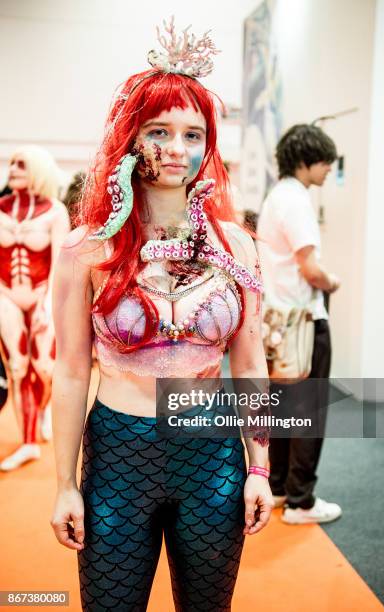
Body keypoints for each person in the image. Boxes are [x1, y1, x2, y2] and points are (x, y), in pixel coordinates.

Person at [50, 19, 273, 612]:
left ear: (209, 145)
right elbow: (71, 372)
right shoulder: (87, 249)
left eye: (193, 134)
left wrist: (260, 466)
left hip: (213, 451)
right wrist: (64, 485)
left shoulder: (236, 245)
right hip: (118, 450)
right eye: (159, 131)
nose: (178, 150)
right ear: (130, 140)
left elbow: (249, 361)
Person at [257, 124, 341, 524]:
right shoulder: (297, 200)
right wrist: (333, 282)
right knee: (309, 409)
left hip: (276, 323)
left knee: (283, 408)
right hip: (303, 324)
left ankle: (278, 486)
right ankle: (301, 501)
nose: (328, 169)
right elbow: (310, 268)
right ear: (306, 160)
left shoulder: (276, 197)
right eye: (325, 161)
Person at [0, 145, 70, 471]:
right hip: (6, 296)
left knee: (43, 366)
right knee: (17, 367)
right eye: (11, 163)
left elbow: (59, 262)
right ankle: (28, 441)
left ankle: (41, 411)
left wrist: (48, 302)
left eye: (21, 164)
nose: (12, 169)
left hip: (43, 293)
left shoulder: (55, 212)